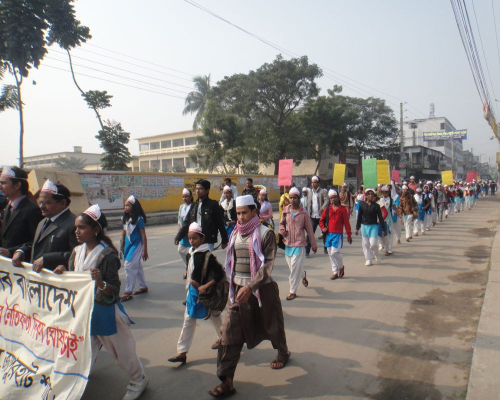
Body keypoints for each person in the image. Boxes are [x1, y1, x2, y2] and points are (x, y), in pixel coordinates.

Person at [54, 205, 148, 400]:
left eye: (81, 227)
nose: (77, 232)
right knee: (82, 348)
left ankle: (139, 379)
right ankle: (78, 376)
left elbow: (113, 291)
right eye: (76, 227)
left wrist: (99, 282)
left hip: (105, 312)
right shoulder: (77, 252)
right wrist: (63, 272)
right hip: (82, 312)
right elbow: (74, 279)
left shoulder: (107, 256)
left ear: (95, 229)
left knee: (123, 352)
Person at [208, 195, 290, 398]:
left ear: (255, 212)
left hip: (262, 291)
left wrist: (252, 286)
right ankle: (226, 381)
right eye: (237, 213)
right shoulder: (235, 233)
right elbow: (232, 264)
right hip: (237, 293)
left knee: (272, 325)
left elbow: (267, 266)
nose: (241, 217)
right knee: (228, 334)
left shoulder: (266, 233)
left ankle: (283, 351)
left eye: (244, 212)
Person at [168, 222, 224, 364]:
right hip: (193, 293)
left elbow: (219, 274)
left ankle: (225, 339)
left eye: (195, 238)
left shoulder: (207, 255)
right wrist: (188, 275)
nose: (192, 241)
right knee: (191, 319)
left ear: (202, 239)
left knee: (214, 316)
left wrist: (205, 286)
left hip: (204, 293)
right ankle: (182, 351)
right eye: (190, 238)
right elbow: (192, 269)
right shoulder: (190, 253)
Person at [12, 179, 78, 272]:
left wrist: (47, 259)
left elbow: (78, 254)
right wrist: (21, 251)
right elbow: (37, 245)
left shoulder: (73, 224)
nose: (42, 206)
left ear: (62, 203)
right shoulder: (43, 222)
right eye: (40, 202)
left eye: (47, 203)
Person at [279, 187, 316, 300]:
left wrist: (313, 244)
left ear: (299, 199)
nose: (292, 200)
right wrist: (282, 231)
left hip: (300, 243)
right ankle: (303, 275)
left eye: (295, 198)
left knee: (294, 268)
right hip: (288, 243)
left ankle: (292, 291)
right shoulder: (285, 211)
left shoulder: (303, 213)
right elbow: (281, 224)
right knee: (293, 268)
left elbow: (309, 230)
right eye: (290, 197)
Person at [175, 179, 228, 252]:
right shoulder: (193, 206)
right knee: (193, 258)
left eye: (200, 189)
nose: (197, 191)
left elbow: (220, 224)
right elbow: (187, 223)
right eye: (196, 189)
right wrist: (178, 237)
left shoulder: (213, 205)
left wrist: (224, 241)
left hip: (208, 240)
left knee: (203, 260)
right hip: (195, 239)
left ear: (207, 190)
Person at [0, 166, 42, 257]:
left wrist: (12, 251)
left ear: (17, 185)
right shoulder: (7, 209)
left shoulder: (32, 210)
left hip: (21, 265)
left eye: (3, 183)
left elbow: (38, 241)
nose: (0, 187)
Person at [120, 196, 149, 302]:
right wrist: (121, 245)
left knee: (128, 265)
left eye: (128, 205)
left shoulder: (139, 219)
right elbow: (123, 232)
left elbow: (143, 235)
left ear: (134, 206)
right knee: (137, 265)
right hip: (128, 244)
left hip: (136, 244)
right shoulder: (125, 218)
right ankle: (143, 286)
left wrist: (144, 250)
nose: (125, 207)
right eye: (125, 205)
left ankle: (128, 291)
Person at [320, 189, 352, 279]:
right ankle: (335, 272)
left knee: (334, 253)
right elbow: (321, 221)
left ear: (338, 197)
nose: (333, 200)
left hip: (337, 235)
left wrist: (349, 234)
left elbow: (346, 223)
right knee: (330, 254)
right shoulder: (327, 210)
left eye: (334, 197)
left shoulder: (342, 210)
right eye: (331, 198)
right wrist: (323, 228)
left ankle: (341, 267)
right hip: (329, 234)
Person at [355, 189, 385, 266]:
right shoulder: (362, 205)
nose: (371, 196)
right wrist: (357, 228)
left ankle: (377, 254)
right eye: (369, 194)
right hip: (364, 226)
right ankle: (368, 259)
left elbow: (380, 218)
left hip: (373, 226)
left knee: (373, 244)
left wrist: (382, 228)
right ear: (366, 196)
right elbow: (359, 217)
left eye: (372, 194)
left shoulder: (377, 206)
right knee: (366, 244)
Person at [306, 176, 329, 255]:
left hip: (321, 216)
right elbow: (308, 203)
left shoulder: (323, 191)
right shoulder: (309, 192)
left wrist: (322, 208)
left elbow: (327, 201)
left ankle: (326, 248)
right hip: (312, 216)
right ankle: (307, 250)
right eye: (312, 182)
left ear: (318, 183)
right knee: (310, 233)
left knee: (325, 232)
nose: (313, 184)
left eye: (315, 182)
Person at [178, 188, 193, 279]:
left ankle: (190, 271)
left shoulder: (193, 206)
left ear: (191, 197)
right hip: (183, 233)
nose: (184, 198)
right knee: (180, 250)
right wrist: (180, 231)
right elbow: (179, 220)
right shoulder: (181, 207)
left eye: (186, 196)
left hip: (191, 233)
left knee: (192, 252)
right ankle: (188, 267)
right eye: (183, 197)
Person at [378, 186, 394, 255]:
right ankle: (383, 246)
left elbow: (395, 207)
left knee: (389, 233)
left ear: (388, 193)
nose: (384, 194)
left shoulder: (391, 200)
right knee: (381, 233)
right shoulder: (380, 200)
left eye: (386, 193)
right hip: (381, 218)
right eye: (383, 193)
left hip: (389, 218)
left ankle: (389, 249)